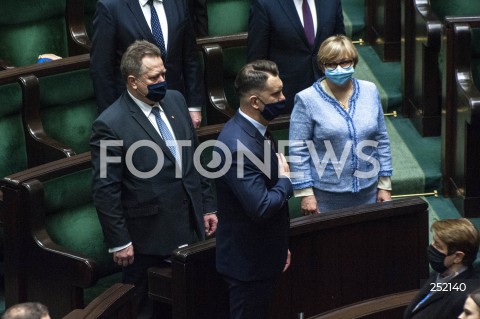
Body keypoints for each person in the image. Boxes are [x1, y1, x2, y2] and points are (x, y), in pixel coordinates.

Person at [90, 40, 217, 319]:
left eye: (163, 74)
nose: (162, 81)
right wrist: (119, 240)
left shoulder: (175, 99)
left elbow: (196, 158)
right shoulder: (110, 124)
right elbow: (105, 187)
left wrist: (207, 206)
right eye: (154, 77)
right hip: (147, 236)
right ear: (133, 82)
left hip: (188, 224)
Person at [214, 60, 293, 319]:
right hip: (247, 266)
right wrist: (285, 181)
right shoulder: (237, 146)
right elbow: (260, 206)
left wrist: (279, 247)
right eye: (276, 94)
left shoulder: (257, 130)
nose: (283, 98)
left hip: (263, 255)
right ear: (256, 102)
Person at [289, 35, 392, 215]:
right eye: (331, 64)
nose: (339, 68)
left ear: (354, 62)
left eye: (344, 62)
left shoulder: (370, 90)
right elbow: (298, 149)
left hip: (368, 191)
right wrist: (305, 194)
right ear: (322, 66)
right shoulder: (306, 99)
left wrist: (385, 184)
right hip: (325, 196)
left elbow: (381, 139)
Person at [90, 0, 204, 128]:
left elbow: (190, 57)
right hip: (132, 111)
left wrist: (194, 106)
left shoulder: (179, 2)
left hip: (174, 107)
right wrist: (113, 119)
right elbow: (101, 69)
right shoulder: (110, 6)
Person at [247, 0, 345, 113]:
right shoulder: (264, 3)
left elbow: (341, 47)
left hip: (328, 93)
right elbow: (257, 60)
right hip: (286, 97)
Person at [404, 218, 480, 319]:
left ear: (458, 257)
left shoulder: (464, 297)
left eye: (438, 246)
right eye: (434, 242)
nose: (431, 247)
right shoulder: (439, 273)